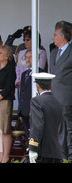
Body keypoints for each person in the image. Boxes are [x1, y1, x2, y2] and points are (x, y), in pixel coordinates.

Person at [28, 73, 63, 163]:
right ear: (51, 84)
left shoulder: (37, 101)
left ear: (37, 85)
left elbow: (37, 125)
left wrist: (33, 147)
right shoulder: (58, 101)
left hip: (42, 151)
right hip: (56, 151)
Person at [50, 23, 72, 161]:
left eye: (55, 35)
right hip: (54, 97)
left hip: (66, 96)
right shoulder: (53, 52)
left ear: (62, 37)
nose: (53, 38)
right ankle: (62, 156)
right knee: (58, 129)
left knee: (69, 129)